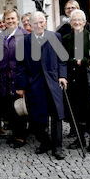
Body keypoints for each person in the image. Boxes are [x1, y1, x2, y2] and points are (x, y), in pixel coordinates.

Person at [15, 11, 67, 160]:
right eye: (35, 23)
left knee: (57, 115)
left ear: (45, 22)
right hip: (34, 83)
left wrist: (62, 76)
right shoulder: (24, 42)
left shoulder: (55, 37)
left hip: (53, 82)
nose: (39, 25)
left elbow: (62, 60)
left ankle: (57, 148)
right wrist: (21, 86)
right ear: (30, 25)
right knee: (37, 116)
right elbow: (21, 66)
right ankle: (45, 142)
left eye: (41, 22)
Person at [61, 9, 90, 153]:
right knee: (75, 111)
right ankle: (80, 139)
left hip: (87, 80)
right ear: (70, 22)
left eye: (80, 20)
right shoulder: (65, 38)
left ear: (85, 23)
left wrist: (82, 61)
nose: (77, 22)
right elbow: (62, 58)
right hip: (72, 80)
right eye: (74, 20)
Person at [0, 8, 30, 148]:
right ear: (4, 21)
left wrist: (23, 83)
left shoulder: (24, 36)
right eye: (8, 19)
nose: (10, 21)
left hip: (18, 77)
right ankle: (14, 133)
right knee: (8, 107)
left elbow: (27, 60)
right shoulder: (1, 36)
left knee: (18, 108)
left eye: (13, 18)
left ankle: (21, 136)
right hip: (5, 78)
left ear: (17, 20)